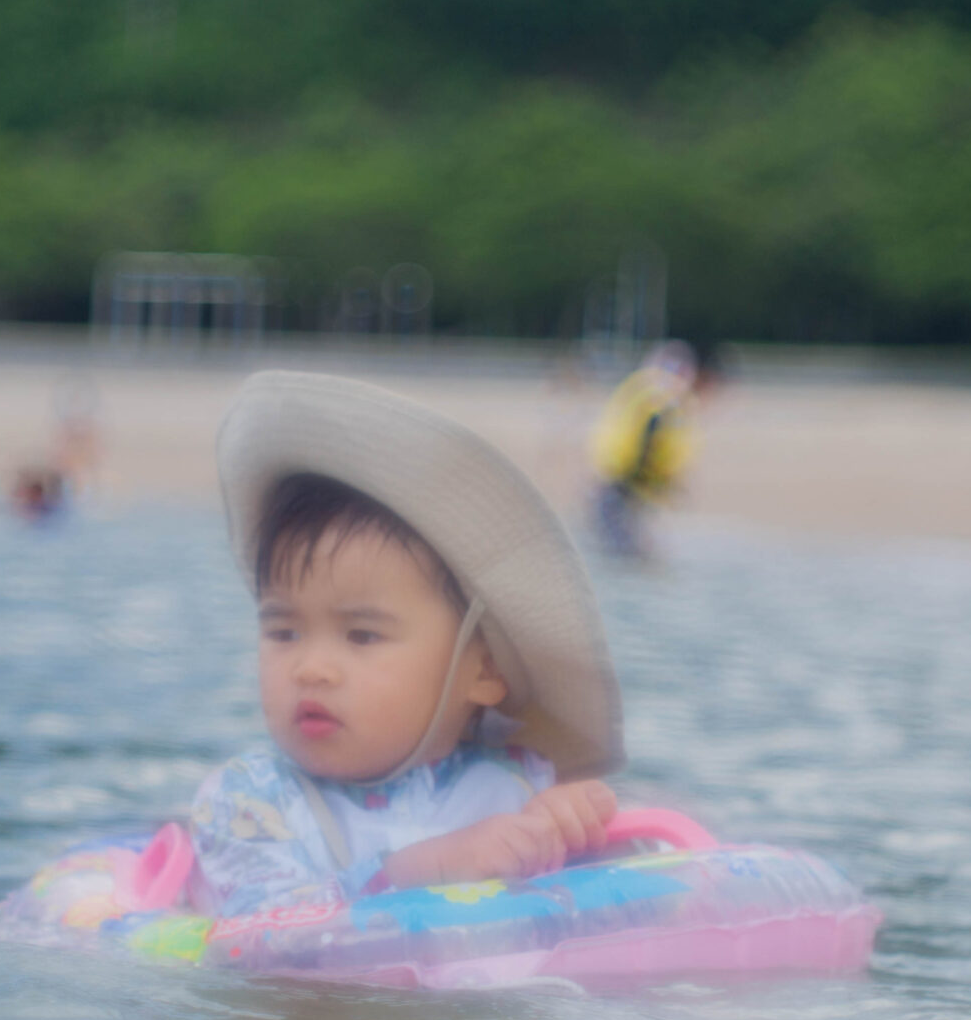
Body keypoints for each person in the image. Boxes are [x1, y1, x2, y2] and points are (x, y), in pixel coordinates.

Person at [186, 371, 625, 919]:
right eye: (284, 632)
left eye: (362, 635)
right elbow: (259, 932)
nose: (311, 668)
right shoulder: (250, 802)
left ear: (484, 670)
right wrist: (420, 870)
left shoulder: (520, 787)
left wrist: (579, 832)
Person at [586, 341, 702, 559]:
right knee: (629, 554)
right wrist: (661, 483)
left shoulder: (640, 387)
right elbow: (645, 445)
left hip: (614, 481)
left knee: (620, 550)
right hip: (625, 484)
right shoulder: (662, 400)